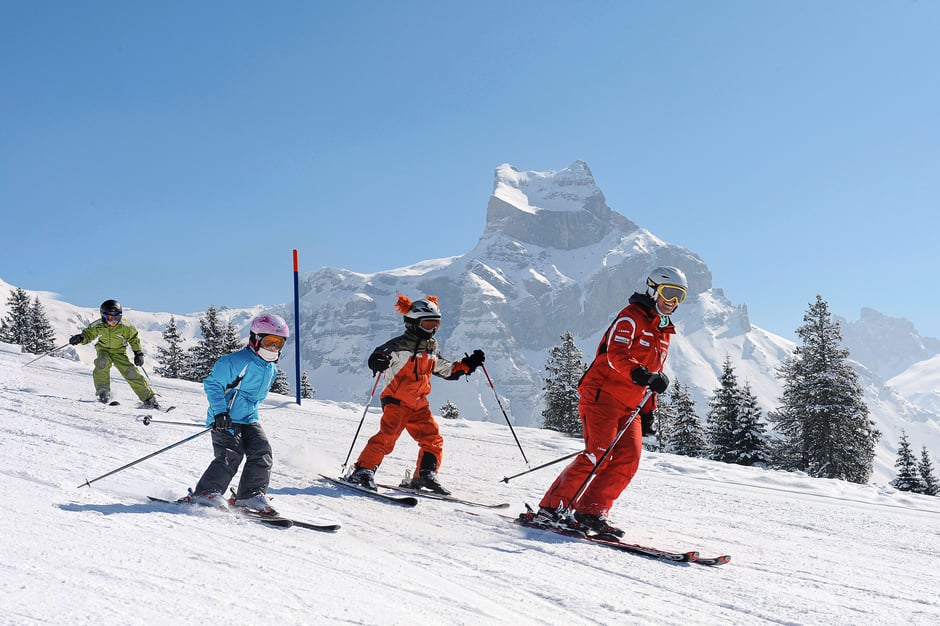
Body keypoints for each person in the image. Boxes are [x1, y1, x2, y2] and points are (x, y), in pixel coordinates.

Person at [525, 266, 688, 539]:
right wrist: (641, 373)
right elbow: (615, 353)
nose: (673, 302)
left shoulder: (663, 332)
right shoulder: (631, 318)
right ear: (653, 289)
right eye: (669, 293)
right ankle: (551, 509)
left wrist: (649, 411)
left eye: (680, 296)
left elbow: (651, 376)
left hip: (630, 405)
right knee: (597, 453)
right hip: (602, 395)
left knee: (629, 458)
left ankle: (591, 510)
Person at [347, 294, 486, 495]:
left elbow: (447, 370)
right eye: (428, 324)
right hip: (396, 399)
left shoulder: (430, 350)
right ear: (413, 323)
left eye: (436, 324)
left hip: (419, 403)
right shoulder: (398, 345)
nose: (433, 329)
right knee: (387, 437)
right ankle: (363, 470)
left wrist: (467, 365)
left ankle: (425, 474)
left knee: (433, 438)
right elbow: (377, 356)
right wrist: (378, 361)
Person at [186, 313, 289, 514]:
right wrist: (220, 413)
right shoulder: (235, 361)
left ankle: (250, 496)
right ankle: (206, 492)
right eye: (269, 342)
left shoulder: (271, 369)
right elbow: (213, 384)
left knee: (262, 451)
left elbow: (254, 398)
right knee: (231, 453)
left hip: (249, 419)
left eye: (279, 344)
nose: (273, 348)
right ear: (256, 339)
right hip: (225, 417)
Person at [69, 299, 160, 408]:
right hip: (103, 350)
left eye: (117, 318)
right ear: (103, 316)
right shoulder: (98, 325)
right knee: (102, 363)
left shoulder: (125, 326)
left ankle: (149, 398)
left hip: (119, 352)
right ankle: (103, 393)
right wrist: (80, 338)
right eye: (110, 318)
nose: (114, 321)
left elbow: (134, 339)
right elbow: (88, 334)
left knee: (131, 372)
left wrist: (138, 353)